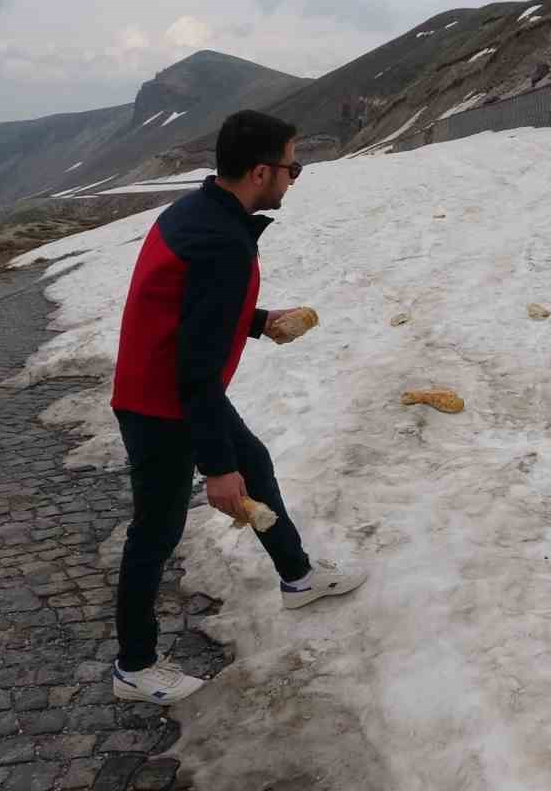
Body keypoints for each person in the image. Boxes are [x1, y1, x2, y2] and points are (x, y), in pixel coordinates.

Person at [108, 110, 366, 705]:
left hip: (166, 387)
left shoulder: (199, 213)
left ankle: (297, 576)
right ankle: (135, 665)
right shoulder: (224, 242)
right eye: (292, 166)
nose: (293, 177)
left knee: (256, 460)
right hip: (161, 401)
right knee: (157, 528)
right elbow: (194, 366)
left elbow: (187, 311)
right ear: (259, 172)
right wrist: (216, 469)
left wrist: (256, 323)